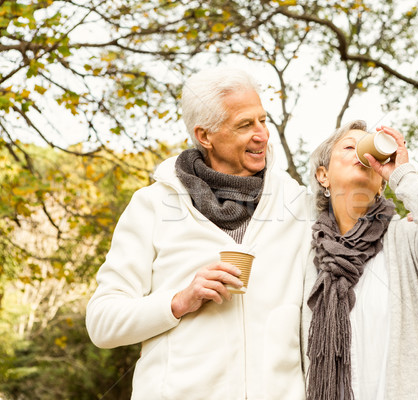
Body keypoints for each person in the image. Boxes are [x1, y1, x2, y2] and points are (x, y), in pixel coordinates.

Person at [86, 68, 313, 400]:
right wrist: (178, 301)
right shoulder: (152, 205)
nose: (262, 135)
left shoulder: (298, 205)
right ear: (205, 136)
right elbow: (102, 322)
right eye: (245, 125)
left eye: (263, 120)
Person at [301, 120, 418, 400]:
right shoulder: (306, 254)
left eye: (369, 148)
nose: (362, 154)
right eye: (350, 146)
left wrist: (403, 174)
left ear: (382, 184)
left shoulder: (407, 237)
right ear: (323, 176)